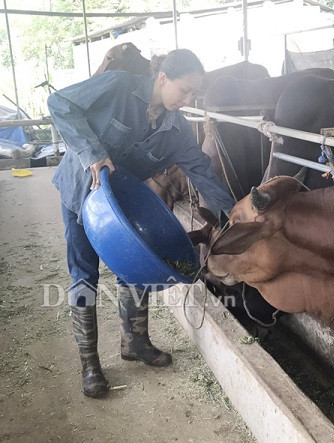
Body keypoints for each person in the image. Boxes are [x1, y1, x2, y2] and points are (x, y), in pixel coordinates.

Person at [48, 49, 235, 398]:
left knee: (133, 269)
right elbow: (60, 104)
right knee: (84, 274)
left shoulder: (176, 131)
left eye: (195, 94)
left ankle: (134, 342)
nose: (188, 99)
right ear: (162, 78)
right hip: (82, 194)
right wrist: (92, 153)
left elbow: (201, 171)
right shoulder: (119, 86)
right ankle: (90, 364)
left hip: (124, 206)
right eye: (185, 90)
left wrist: (233, 215)